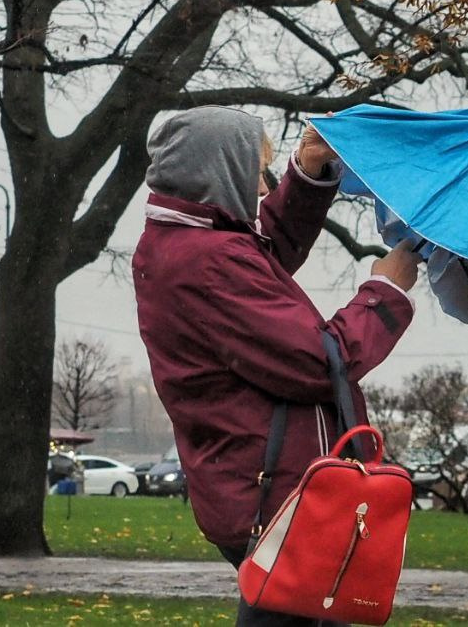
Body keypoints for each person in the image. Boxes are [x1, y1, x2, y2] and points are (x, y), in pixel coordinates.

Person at [134, 106, 420, 627]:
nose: (266, 188)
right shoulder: (210, 262)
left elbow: (264, 249)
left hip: (263, 487)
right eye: (256, 170)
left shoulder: (192, 239)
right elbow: (319, 361)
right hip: (277, 498)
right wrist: (385, 291)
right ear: (220, 174)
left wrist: (308, 173)